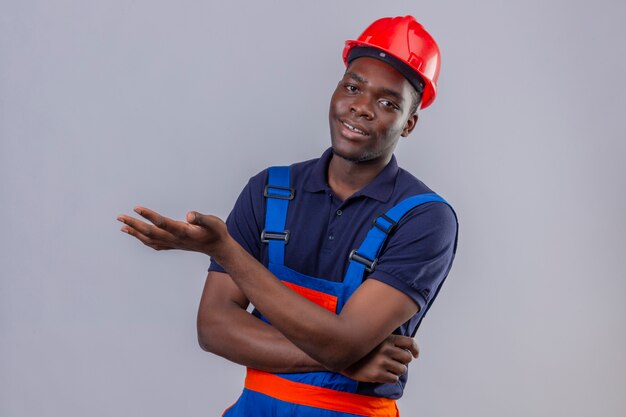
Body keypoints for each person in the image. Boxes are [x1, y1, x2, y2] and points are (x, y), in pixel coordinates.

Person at [118, 15, 458, 417]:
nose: (362, 107)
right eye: (353, 87)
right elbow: (213, 328)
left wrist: (228, 252)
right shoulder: (269, 189)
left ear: (409, 124)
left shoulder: (425, 220)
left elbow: (341, 341)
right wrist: (348, 362)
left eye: (388, 103)